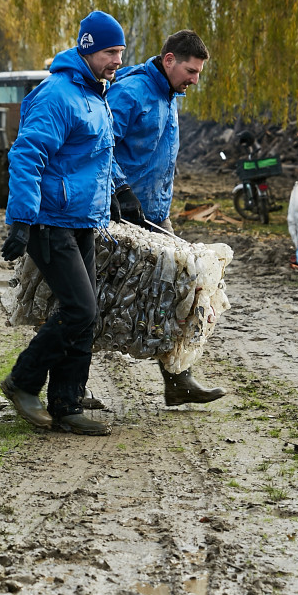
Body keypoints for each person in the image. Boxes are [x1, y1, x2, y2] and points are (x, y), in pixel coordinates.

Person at [0, 10, 125, 436]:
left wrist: (115, 197)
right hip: (49, 222)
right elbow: (27, 155)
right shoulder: (57, 94)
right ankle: (23, 382)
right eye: (111, 52)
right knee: (80, 308)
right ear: (88, 48)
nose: (117, 61)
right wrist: (20, 220)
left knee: (86, 313)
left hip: (82, 220)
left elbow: (95, 156)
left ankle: (67, 404)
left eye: (121, 52)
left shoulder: (95, 94)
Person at [108, 29, 227, 406]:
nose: (195, 80)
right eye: (191, 71)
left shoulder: (168, 94)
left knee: (185, 291)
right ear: (169, 60)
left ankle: (178, 379)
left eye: (199, 74)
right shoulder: (131, 93)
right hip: (121, 216)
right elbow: (97, 145)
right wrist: (119, 190)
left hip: (156, 217)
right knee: (104, 301)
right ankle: (68, 390)